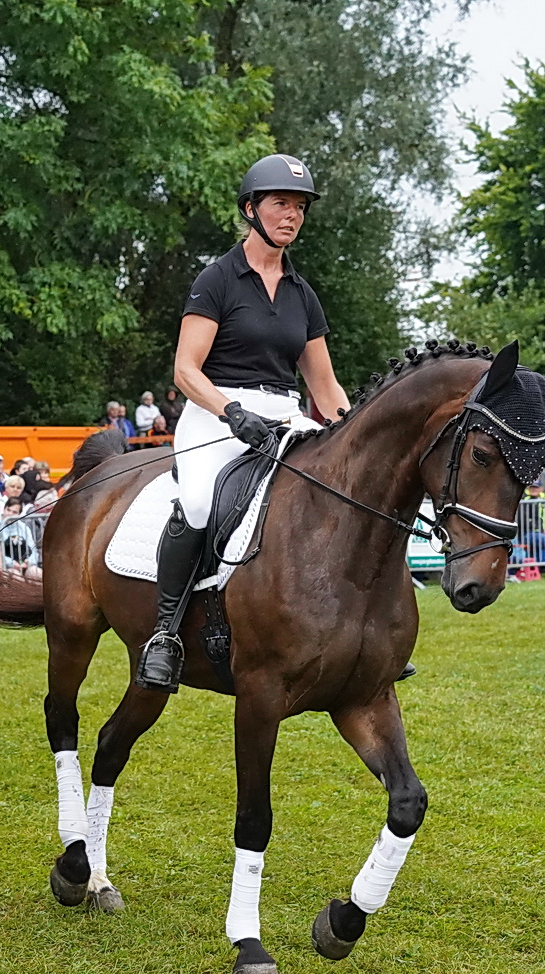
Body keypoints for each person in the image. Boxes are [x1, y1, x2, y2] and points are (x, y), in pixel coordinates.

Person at [137, 153, 349, 693]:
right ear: (251, 209)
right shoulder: (217, 279)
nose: (292, 216)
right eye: (281, 204)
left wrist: (352, 434)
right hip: (215, 412)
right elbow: (185, 369)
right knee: (204, 501)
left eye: (300, 207)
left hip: (283, 414)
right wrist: (231, 413)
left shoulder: (304, 294)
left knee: (333, 496)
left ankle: (351, 629)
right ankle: (165, 634)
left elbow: (323, 386)